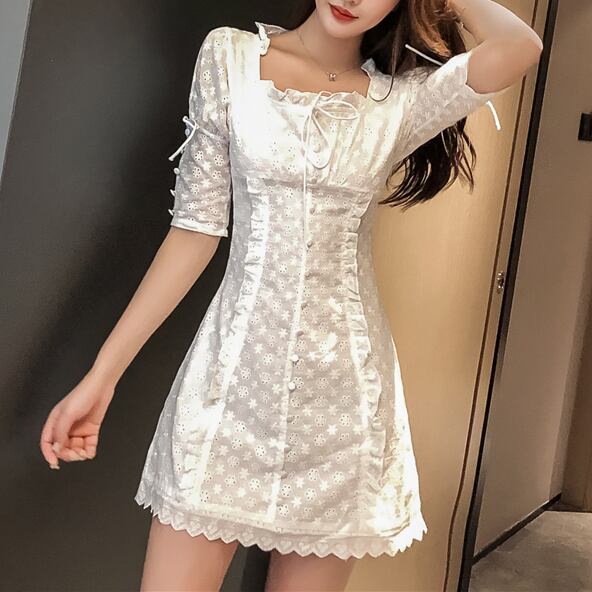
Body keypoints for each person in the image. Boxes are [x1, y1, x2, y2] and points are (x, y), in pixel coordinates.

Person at [40, 0, 542, 590]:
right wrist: (102, 376)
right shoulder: (230, 57)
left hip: (345, 409)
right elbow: (194, 232)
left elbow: (519, 48)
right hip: (227, 392)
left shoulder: (401, 101)